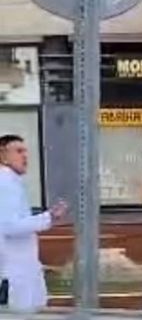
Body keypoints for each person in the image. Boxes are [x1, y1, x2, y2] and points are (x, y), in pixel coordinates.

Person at [0, 134, 67, 313]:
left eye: (25, 151)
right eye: (18, 151)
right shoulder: (5, 183)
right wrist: (48, 217)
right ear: (3, 156)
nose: (25, 156)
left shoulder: (12, 182)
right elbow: (9, 226)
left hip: (19, 271)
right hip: (13, 275)